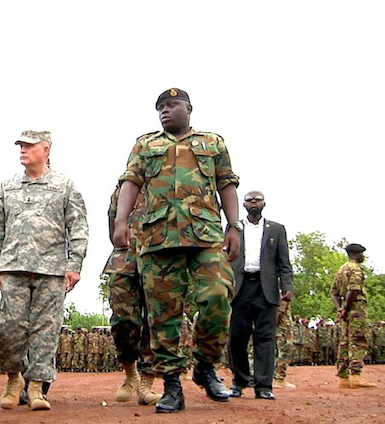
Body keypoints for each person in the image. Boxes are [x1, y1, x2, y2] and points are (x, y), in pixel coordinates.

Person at [112, 88, 240, 413]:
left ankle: (206, 366)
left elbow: (226, 182)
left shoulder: (213, 143)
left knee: (216, 295)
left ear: (188, 108)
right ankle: (171, 385)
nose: (165, 112)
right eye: (160, 108)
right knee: (162, 317)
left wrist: (235, 226)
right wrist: (121, 220)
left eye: (171, 105)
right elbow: (131, 180)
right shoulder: (146, 144)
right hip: (157, 237)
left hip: (206, 233)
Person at [0, 130, 89, 411]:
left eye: (29, 146)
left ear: (46, 150)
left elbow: (78, 227)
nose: (22, 150)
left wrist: (74, 265)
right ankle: (13, 378)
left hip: (51, 269)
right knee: (9, 327)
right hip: (13, 267)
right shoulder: (7, 186)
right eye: (20, 146)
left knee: (46, 330)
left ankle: (37, 388)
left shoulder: (65, 186)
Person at [227, 190, 293, 401]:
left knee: (265, 337)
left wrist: (287, 286)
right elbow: (224, 257)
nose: (254, 202)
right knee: (237, 337)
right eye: (249, 200)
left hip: (266, 289)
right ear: (244, 205)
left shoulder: (277, 229)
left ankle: (264, 385)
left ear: (264, 203)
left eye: (258, 199)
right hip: (240, 287)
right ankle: (239, 381)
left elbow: (284, 262)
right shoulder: (233, 228)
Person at [103, 183, 161, 405]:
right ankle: (130, 373)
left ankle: (147, 382)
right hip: (124, 260)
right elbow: (112, 224)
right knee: (122, 320)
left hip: (159, 261)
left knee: (154, 322)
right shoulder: (123, 189)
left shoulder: (168, 182)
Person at [330, 243, 377, 389]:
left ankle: (343, 377)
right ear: (357, 254)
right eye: (362, 254)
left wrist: (340, 309)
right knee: (358, 340)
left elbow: (333, 293)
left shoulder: (341, 269)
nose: (363, 257)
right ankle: (356, 375)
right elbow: (353, 290)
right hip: (356, 309)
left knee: (345, 341)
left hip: (346, 310)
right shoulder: (356, 269)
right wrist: (345, 308)